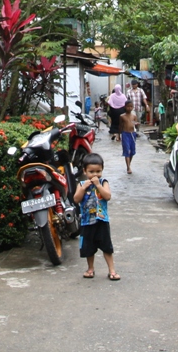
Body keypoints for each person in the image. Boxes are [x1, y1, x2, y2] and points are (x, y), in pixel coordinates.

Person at [72, 153, 119, 281]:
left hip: (101, 220)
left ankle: (112, 270)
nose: (95, 175)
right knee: (88, 247)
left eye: (98, 171)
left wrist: (98, 185)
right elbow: (76, 199)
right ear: (85, 171)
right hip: (87, 222)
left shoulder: (103, 182)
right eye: (91, 171)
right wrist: (83, 188)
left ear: (102, 170)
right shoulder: (81, 184)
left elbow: (107, 196)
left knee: (107, 246)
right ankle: (90, 269)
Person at [119, 102, 136, 174]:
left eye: (131, 106)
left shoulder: (134, 116)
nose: (129, 108)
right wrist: (119, 135)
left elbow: (136, 125)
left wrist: (137, 125)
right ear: (125, 107)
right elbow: (120, 126)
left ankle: (129, 165)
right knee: (127, 150)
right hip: (125, 134)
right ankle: (128, 167)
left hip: (132, 134)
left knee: (132, 151)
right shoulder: (122, 116)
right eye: (128, 106)